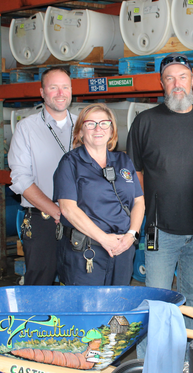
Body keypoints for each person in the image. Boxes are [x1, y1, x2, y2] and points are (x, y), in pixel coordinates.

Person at [126, 53, 193, 324]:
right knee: (157, 298)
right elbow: (135, 173)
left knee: (192, 295)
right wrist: (147, 209)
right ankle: (152, 360)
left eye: (182, 77)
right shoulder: (145, 122)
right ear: (162, 83)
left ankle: (188, 355)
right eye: (170, 78)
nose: (176, 83)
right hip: (161, 230)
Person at [53, 103, 144, 286]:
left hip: (122, 249)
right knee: (86, 308)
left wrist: (131, 235)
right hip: (86, 251)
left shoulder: (123, 160)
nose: (98, 129)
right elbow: (68, 209)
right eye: (90, 124)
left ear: (112, 131)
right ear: (80, 132)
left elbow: (139, 201)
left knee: (118, 305)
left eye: (104, 123)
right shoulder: (70, 162)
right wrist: (104, 239)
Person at [8, 67, 76, 285]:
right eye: (53, 87)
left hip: (80, 220)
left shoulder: (85, 126)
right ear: (42, 92)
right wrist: (56, 211)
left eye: (65, 87)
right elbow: (20, 179)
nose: (60, 93)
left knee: (78, 283)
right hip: (43, 221)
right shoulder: (26, 128)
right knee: (39, 284)